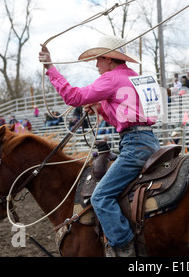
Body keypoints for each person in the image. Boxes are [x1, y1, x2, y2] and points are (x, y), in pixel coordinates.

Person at [39, 35, 160, 257]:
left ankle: (123, 248)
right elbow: (124, 112)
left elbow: (73, 97)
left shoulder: (111, 79)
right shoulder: (136, 78)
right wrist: (100, 105)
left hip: (133, 144)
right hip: (150, 140)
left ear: (108, 58)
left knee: (100, 197)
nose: (96, 64)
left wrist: (50, 68)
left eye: (97, 59)